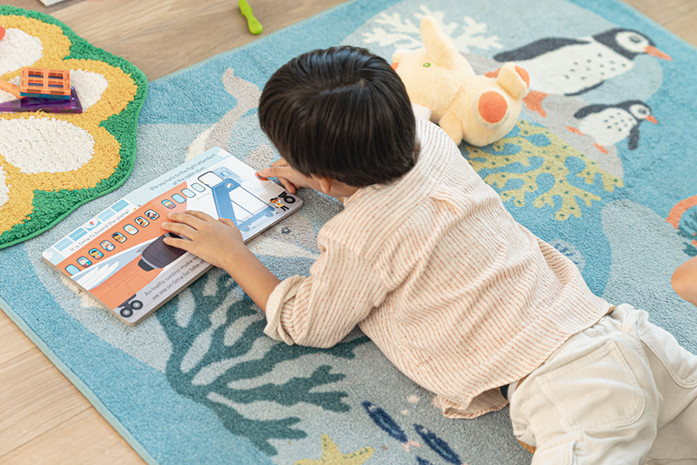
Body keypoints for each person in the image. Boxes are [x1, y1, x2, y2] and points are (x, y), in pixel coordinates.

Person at [161, 46, 697, 464]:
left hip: (569, 388)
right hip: (628, 338)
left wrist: (231, 253)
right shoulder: (429, 136)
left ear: (323, 179)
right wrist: (323, 173)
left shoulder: (359, 236)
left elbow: (308, 323)